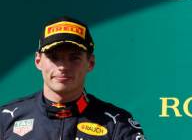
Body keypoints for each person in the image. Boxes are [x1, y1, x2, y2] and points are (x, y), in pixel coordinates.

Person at [0, 17, 145, 140]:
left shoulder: (117, 123)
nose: (63, 66)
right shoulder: (6, 118)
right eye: (54, 57)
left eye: (74, 58)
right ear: (38, 61)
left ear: (91, 63)